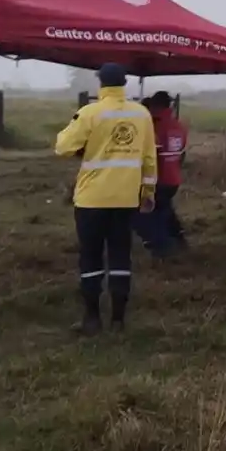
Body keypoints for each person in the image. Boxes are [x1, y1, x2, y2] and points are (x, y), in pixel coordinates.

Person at [53, 63, 157, 335]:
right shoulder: (142, 114)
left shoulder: (90, 113)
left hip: (91, 200)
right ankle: (119, 320)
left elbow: (63, 147)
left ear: (101, 84)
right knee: (121, 255)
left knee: (90, 256)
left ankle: (91, 318)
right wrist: (147, 193)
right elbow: (149, 159)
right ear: (124, 84)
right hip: (126, 199)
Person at [136, 91, 187, 258]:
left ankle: (163, 248)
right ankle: (179, 239)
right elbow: (182, 154)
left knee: (146, 215)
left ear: (155, 106)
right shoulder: (179, 126)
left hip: (157, 179)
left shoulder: (153, 126)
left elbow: (149, 156)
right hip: (174, 178)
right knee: (164, 210)